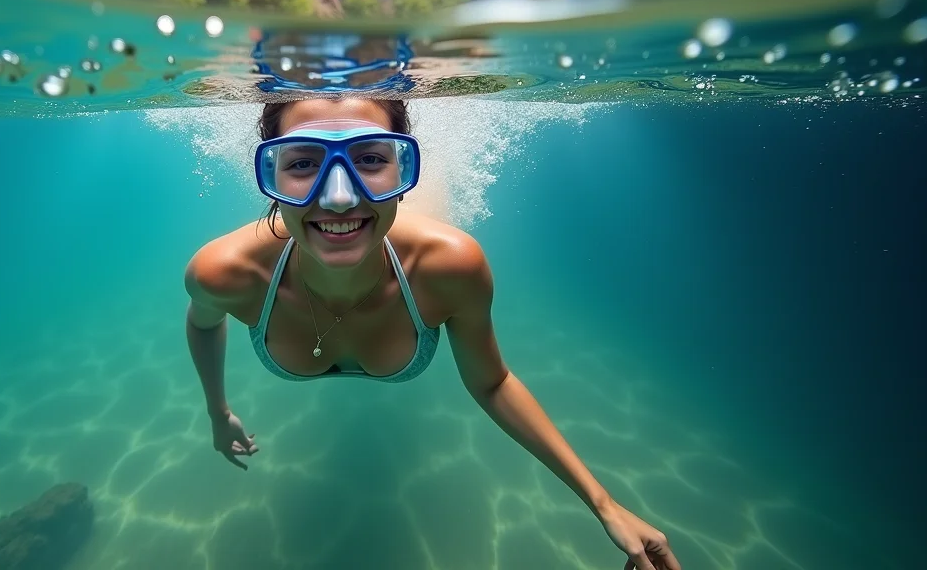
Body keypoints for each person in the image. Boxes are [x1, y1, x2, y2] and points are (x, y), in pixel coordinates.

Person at [184, 96, 681, 570]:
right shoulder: (223, 272)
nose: (338, 198)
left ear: (402, 171)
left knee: (426, 218)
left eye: (372, 158)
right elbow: (202, 323)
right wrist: (217, 411)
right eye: (301, 164)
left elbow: (492, 382)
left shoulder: (450, 267)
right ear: (268, 176)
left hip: (417, 235)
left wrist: (604, 503)